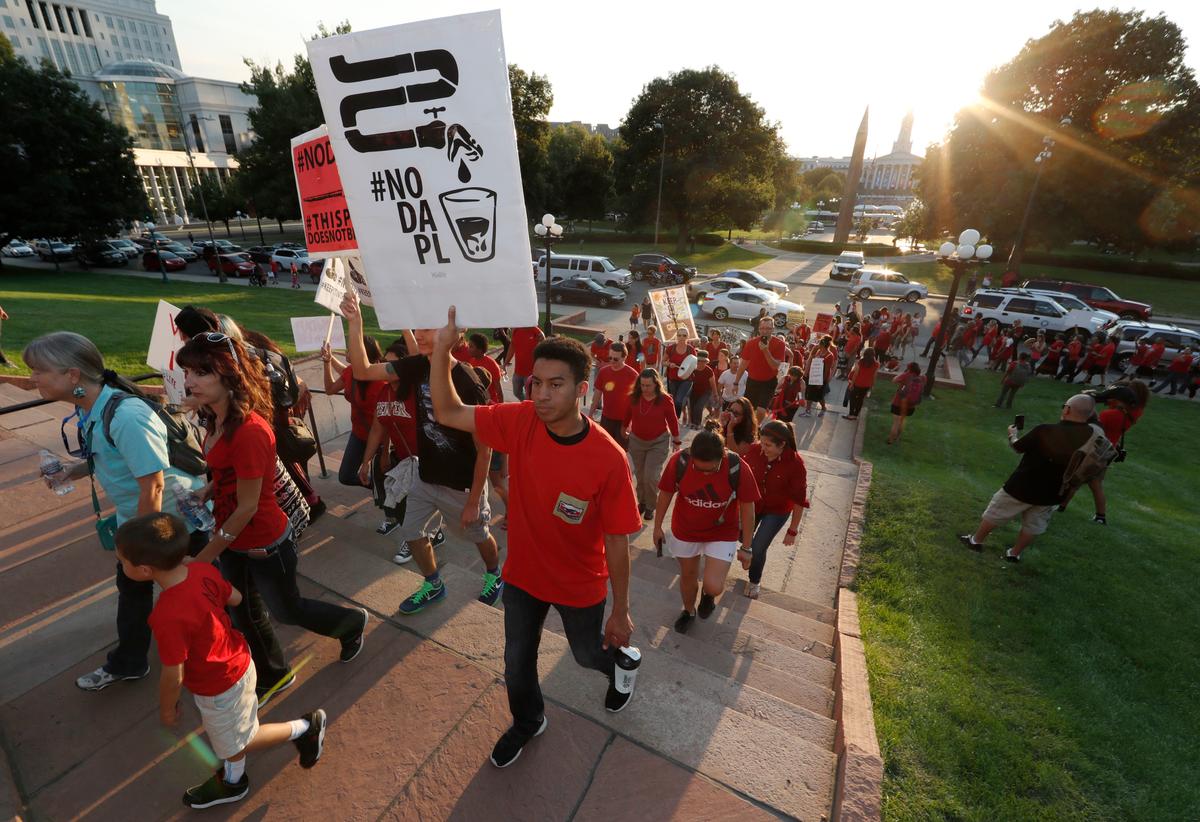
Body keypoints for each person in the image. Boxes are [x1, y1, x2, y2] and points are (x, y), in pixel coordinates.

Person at [425, 310, 642, 767]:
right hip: (522, 574)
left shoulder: (610, 458)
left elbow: (619, 540)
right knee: (515, 662)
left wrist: (620, 610)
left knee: (586, 655)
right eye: (535, 383)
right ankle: (528, 721)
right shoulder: (519, 419)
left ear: (582, 390)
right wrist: (442, 349)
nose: (541, 395)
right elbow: (447, 411)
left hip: (579, 583)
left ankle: (621, 664)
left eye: (555, 385)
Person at [178, 332, 368, 699]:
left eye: (201, 372)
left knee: (287, 610)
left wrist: (204, 557)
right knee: (244, 612)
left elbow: (249, 506)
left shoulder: (249, 431)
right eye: (188, 371)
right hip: (231, 537)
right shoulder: (213, 417)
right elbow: (228, 472)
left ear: (229, 374)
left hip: (263, 542)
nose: (189, 381)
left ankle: (351, 623)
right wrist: (210, 488)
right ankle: (274, 674)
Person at [22, 332, 209, 693]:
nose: (33, 378)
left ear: (72, 375)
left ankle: (233, 656)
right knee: (140, 590)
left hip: (174, 522)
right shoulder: (91, 406)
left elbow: (153, 485)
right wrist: (71, 471)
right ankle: (132, 661)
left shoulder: (127, 415)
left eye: (38, 370)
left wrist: (141, 549)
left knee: (198, 589)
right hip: (143, 520)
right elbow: (109, 456)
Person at [116, 513, 327, 808]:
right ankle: (234, 779)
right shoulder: (202, 571)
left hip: (220, 685)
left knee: (242, 741)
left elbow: (173, 674)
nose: (122, 566)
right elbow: (237, 598)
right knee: (232, 737)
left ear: (144, 569)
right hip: (237, 661)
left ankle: (305, 728)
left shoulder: (167, 615)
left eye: (123, 561)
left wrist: (167, 710)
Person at [341, 293, 503, 612]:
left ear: (454, 333)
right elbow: (361, 370)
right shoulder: (417, 366)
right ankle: (433, 583)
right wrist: (355, 321)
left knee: (480, 534)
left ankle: (494, 574)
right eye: (418, 329)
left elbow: (485, 449)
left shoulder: (468, 381)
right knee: (411, 531)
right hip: (425, 475)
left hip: (462, 485)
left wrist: (473, 500)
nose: (419, 334)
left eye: (428, 328)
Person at [959, 394, 1098, 561]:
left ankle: (976, 541)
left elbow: (1018, 447)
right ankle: (1014, 554)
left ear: (1067, 409)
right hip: (1054, 491)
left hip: (1023, 485)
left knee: (997, 512)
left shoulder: (1045, 430)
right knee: (1034, 525)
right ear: (1089, 414)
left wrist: (1012, 434)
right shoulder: (1092, 435)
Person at [653, 424, 758, 633]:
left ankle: (708, 596)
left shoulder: (737, 467)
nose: (705, 473)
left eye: (711, 469)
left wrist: (747, 547)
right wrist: (657, 527)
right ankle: (688, 611)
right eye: (699, 468)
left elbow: (748, 509)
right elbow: (665, 494)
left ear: (723, 456)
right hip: (685, 530)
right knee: (688, 576)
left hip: (721, 532)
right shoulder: (680, 462)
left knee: (714, 585)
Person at [741, 420, 808, 599]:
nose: (763, 448)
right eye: (761, 442)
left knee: (758, 548)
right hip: (753, 505)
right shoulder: (755, 451)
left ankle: (754, 581)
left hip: (777, 511)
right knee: (739, 535)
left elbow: (799, 501)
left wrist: (792, 530)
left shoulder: (795, 465)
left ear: (782, 445)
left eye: (768, 445)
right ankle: (748, 555)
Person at [321, 335, 387, 493]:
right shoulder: (352, 371)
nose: (346, 350)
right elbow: (330, 389)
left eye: (351, 348)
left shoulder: (382, 381)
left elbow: (386, 423)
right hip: (358, 434)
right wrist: (327, 362)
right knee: (346, 476)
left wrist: (384, 452)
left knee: (384, 478)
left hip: (381, 438)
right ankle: (376, 487)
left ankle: (382, 489)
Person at [1088, 381, 1148, 524]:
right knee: (1096, 483)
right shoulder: (1137, 411)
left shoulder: (1110, 414)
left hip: (1098, 447)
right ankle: (1100, 516)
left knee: (1077, 479)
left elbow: (1094, 427)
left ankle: (1061, 506)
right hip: (1110, 448)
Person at [625, 368, 681, 519]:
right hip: (637, 441)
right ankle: (642, 502)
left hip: (658, 442)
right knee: (641, 476)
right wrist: (624, 430)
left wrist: (676, 440)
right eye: (642, 385)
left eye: (648, 385)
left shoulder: (665, 399)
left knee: (651, 476)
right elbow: (627, 415)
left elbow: (673, 420)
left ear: (656, 384)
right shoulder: (634, 397)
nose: (645, 388)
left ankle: (650, 506)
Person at [589, 341, 639, 449]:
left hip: (624, 421)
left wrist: (633, 423)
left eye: (615, 359)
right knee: (605, 448)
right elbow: (597, 395)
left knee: (620, 450)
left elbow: (637, 400)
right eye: (610, 358)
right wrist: (590, 414)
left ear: (624, 357)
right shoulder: (603, 372)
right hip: (606, 418)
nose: (611, 361)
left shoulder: (633, 375)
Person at [736, 317, 789, 418]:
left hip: (769, 382)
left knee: (761, 410)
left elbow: (775, 366)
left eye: (768, 328)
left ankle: (756, 429)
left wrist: (765, 350)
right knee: (748, 410)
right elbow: (743, 364)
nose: (764, 331)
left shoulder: (780, 344)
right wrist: (736, 382)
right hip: (752, 381)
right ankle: (749, 427)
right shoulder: (751, 343)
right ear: (759, 329)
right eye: (762, 328)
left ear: (773, 329)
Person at [887, 362, 925, 445]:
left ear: (909, 368)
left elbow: (894, 380)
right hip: (911, 405)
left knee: (896, 422)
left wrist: (904, 373)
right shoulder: (922, 377)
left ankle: (890, 440)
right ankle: (897, 437)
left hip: (899, 402)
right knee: (902, 420)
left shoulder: (906, 375)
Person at [664, 327, 697, 419]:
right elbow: (663, 362)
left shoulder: (691, 349)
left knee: (679, 400)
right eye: (679, 335)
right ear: (676, 336)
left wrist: (690, 368)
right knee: (673, 400)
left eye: (684, 335)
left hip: (687, 379)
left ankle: (676, 418)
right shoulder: (671, 348)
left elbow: (695, 364)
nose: (682, 337)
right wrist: (669, 364)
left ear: (688, 337)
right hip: (673, 379)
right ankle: (671, 418)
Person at [506, 326, 545, 402]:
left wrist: (542, 337)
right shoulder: (516, 330)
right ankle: (526, 405)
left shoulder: (534, 329)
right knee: (516, 392)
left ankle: (529, 407)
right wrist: (505, 362)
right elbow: (512, 346)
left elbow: (543, 341)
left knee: (530, 395)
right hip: (518, 371)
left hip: (531, 373)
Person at [800, 336, 836, 417]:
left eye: (819, 343)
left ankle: (823, 408)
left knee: (819, 396)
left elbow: (827, 370)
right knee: (809, 394)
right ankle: (808, 410)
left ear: (823, 345)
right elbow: (811, 357)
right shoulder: (818, 351)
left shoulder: (830, 355)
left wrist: (821, 382)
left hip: (821, 379)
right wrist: (815, 349)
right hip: (813, 376)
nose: (817, 345)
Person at [844, 347, 880, 420]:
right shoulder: (876, 364)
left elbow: (855, 374)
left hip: (857, 384)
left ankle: (851, 414)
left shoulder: (860, 362)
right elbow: (874, 376)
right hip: (866, 385)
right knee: (860, 399)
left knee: (853, 399)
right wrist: (872, 386)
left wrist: (851, 384)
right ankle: (856, 415)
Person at [686, 350, 719, 429]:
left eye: (703, 361)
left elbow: (713, 384)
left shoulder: (709, 371)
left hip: (706, 392)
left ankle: (697, 424)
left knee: (699, 407)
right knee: (693, 407)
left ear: (706, 362)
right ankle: (693, 423)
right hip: (694, 391)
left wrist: (715, 395)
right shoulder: (692, 368)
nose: (700, 363)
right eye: (699, 361)